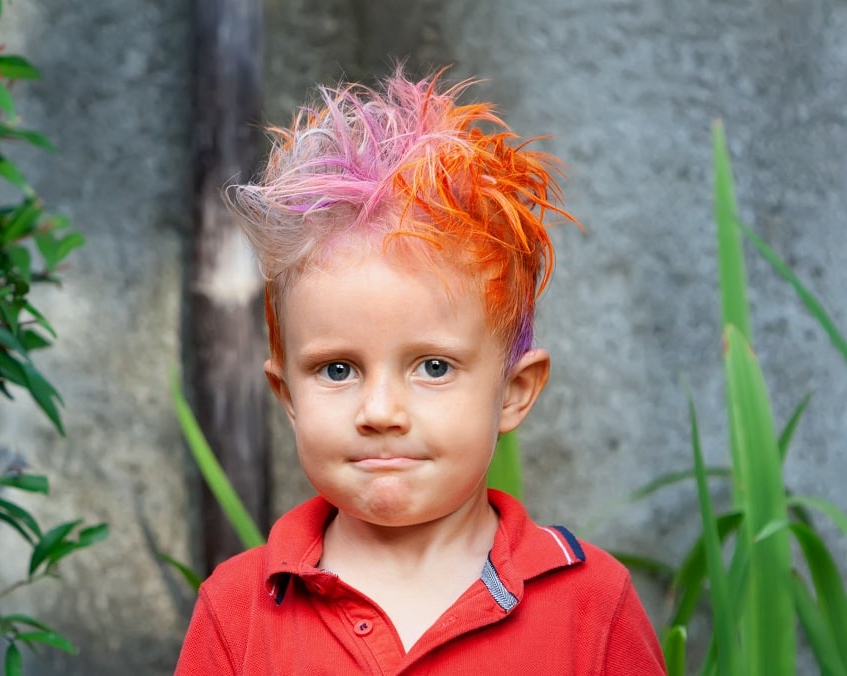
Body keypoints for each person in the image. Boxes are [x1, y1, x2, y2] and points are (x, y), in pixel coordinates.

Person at [175, 66, 666, 675]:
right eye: (336, 370)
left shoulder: (593, 604)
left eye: (433, 366)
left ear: (515, 391)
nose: (380, 411)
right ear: (287, 394)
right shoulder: (236, 610)